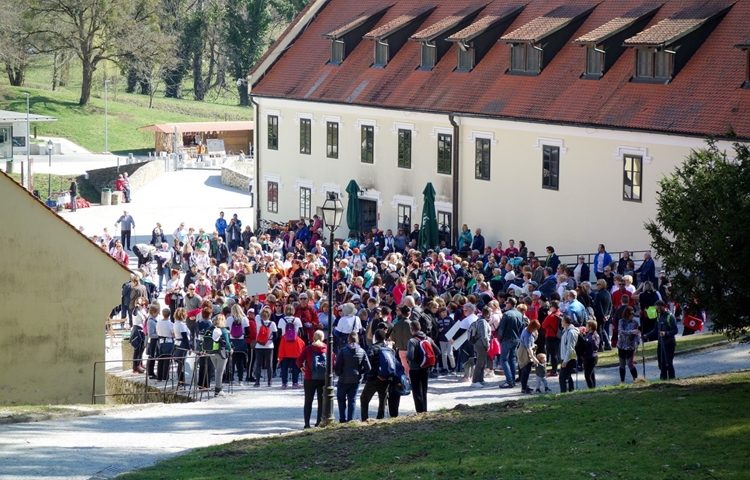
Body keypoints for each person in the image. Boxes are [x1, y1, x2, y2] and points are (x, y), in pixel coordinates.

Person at [335, 332, 370, 423]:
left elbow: (338, 365)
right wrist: (360, 372)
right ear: (357, 339)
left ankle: (342, 419)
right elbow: (368, 368)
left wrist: (339, 373)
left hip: (343, 378)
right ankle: (350, 419)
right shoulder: (362, 351)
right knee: (352, 400)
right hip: (355, 379)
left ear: (348, 339)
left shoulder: (343, 351)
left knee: (341, 399)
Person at [406, 321, 439, 413]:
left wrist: (408, 357)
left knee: (416, 392)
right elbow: (438, 351)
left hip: (415, 369)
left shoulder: (412, 341)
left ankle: (419, 411)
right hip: (426, 367)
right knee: (424, 390)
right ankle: (425, 410)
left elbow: (410, 356)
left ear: (411, 329)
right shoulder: (428, 338)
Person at [297, 330, 328, 428]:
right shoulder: (327, 348)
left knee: (308, 401)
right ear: (323, 338)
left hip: (309, 377)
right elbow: (333, 361)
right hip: (323, 378)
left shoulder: (308, 349)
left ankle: (307, 423)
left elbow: (298, 361)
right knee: (321, 401)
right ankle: (318, 422)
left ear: (313, 338)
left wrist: (302, 368)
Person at [360, 328, 391, 421]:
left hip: (374, 378)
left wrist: (366, 373)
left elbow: (368, 363)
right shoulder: (388, 349)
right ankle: (380, 417)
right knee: (382, 399)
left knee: (364, 398)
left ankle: (365, 419)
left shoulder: (372, 348)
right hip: (386, 377)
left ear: (375, 337)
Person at [643, 300, 678, 380]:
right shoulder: (659, 316)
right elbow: (656, 330)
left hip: (669, 343)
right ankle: (663, 380)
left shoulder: (670, 316)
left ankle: (672, 379)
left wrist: (666, 333)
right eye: (656, 309)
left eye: (658, 309)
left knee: (668, 363)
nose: (657, 310)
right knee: (661, 364)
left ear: (663, 306)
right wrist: (646, 335)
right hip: (661, 343)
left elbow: (675, 330)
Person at [497, 297, 524, 389]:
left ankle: (509, 381)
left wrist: (499, 339)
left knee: (504, 360)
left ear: (510, 304)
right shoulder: (519, 314)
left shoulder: (507, 314)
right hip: (516, 338)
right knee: (512, 359)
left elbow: (501, 328)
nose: (505, 304)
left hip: (507, 338)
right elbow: (522, 326)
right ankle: (512, 379)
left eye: (507, 302)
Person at [254, 308, 277, 387]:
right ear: (269, 315)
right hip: (269, 346)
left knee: (258, 364)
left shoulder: (258, 322)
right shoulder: (272, 324)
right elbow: (276, 336)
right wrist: (270, 340)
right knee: (269, 364)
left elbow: (256, 313)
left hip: (259, 345)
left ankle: (257, 382)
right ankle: (269, 381)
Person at [617, 306, 641, 384]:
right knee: (622, 364)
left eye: (633, 314)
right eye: (631, 314)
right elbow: (621, 331)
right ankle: (622, 381)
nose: (632, 316)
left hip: (631, 346)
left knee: (630, 363)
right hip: (622, 345)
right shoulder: (621, 321)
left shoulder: (635, 322)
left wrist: (637, 343)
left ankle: (636, 379)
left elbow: (637, 334)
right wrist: (631, 332)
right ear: (627, 314)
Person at [469, 306, 491, 387]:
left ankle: (481, 379)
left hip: (480, 343)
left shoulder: (481, 320)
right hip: (481, 344)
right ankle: (475, 381)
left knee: (483, 362)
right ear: (487, 313)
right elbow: (484, 336)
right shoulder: (482, 322)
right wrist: (487, 345)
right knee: (480, 362)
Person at [210, 314, 232, 397]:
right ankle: (218, 390)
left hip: (212, 352)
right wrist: (230, 349)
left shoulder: (212, 329)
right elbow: (227, 343)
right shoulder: (224, 330)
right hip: (221, 353)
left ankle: (219, 388)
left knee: (217, 371)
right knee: (220, 372)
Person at [541, 300, 562, 376]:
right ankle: (555, 369)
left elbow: (543, 325)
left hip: (550, 336)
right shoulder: (560, 314)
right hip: (558, 335)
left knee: (553, 354)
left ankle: (554, 370)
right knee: (556, 353)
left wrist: (548, 315)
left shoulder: (551, 316)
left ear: (553, 307)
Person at [559, 315, 579, 393]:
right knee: (568, 376)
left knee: (562, 377)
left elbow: (570, 348)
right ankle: (571, 391)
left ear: (566, 322)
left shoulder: (571, 332)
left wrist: (565, 361)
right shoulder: (566, 330)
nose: (561, 322)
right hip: (566, 357)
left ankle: (563, 393)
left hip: (569, 358)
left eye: (562, 321)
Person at [156, 305, 175, 381]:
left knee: (161, 359)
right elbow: (173, 334)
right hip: (168, 341)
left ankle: (159, 376)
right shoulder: (171, 324)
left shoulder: (158, 323)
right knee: (167, 360)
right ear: (169, 315)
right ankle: (165, 376)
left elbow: (157, 332)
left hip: (160, 341)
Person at [173, 307, 191, 385]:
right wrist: (189, 347)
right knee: (181, 363)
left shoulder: (175, 323)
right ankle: (181, 381)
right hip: (183, 344)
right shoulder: (181, 325)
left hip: (177, 342)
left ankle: (181, 380)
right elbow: (185, 337)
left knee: (180, 363)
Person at [582, 320, 600, 388]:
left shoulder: (594, 336)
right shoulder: (589, 334)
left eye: (586, 326)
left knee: (587, 375)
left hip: (591, 357)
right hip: (587, 356)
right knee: (591, 374)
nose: (585, 327)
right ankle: (593, 388)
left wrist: (588, 341)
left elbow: (596, 346)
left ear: (590, 327)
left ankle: (591, 388)